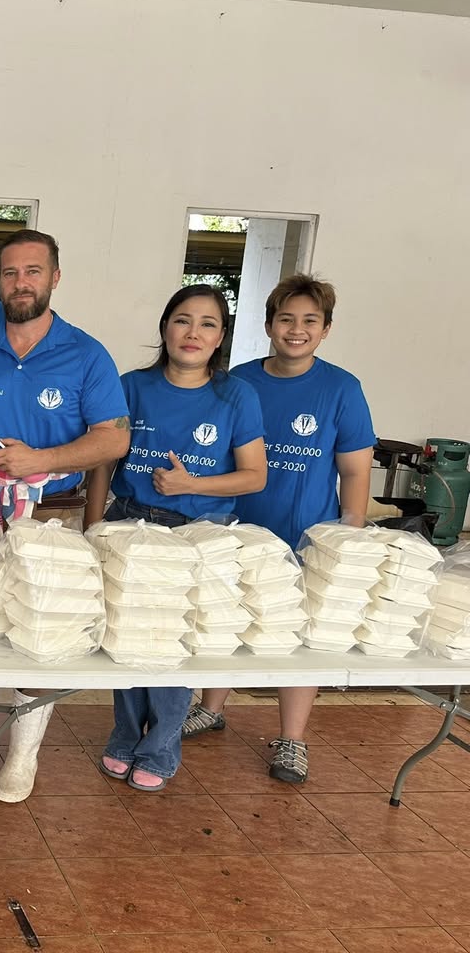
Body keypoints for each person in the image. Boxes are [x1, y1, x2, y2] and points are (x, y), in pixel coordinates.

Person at [0, 229, 130, 802]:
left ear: (54, 277)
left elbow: (112, 440)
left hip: (51, 516)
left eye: (32, 271)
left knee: (41, 633)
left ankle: (24, 754)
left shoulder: (86, 354)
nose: (20, 282)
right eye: (10, 273)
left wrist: (42, 458)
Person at [182, 274, 374, 784]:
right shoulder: (236, 383)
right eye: (286, 318)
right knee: (224, 618)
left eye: (310, 320)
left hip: (306, 537)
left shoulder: (341, 389)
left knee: (301, 637)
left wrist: (348, 536)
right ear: (268, 324)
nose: (296, 329)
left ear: (326, 329)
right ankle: (211, 707)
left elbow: (355, 471)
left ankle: (291, 739)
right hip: (234, 529)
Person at [83, 284, 266, 791]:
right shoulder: (130, 385)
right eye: (182, 320)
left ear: (220, 337)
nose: (193, 332)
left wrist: (193, 484)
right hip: (131, 522)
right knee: (126, 637)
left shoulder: (236, 395)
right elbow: (104, 459)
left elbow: (255, 475)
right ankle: (124, 734)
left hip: (196, 535)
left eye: (208, 323)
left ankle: (161, 746)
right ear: (165, 327)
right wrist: (94, 526)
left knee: (171, 644)